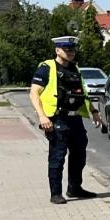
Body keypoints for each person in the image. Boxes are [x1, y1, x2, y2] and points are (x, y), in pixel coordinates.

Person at [30, 36, 96, 204]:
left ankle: (75, 188)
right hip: (57, 118)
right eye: (67, 50)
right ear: (57, 50)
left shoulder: (75, 68)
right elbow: (34, 93)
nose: (70, 52)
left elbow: (83, 93)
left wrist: (94, 111)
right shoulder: (47, 68)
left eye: (72, 49)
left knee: (79, 155)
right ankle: (56, 193)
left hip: (76, 120)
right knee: (57, 157)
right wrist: (42, 116)